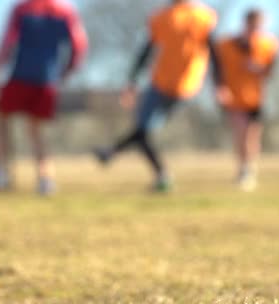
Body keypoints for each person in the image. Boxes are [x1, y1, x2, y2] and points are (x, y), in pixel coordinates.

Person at [93, 0, 218, 193]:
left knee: (142, 131)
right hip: (183, 84)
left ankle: (154, 171)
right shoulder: (202, 16)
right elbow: (214, 52)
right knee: (142, 131)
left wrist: (132, 81)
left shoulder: (169, 17)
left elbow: (146, 51)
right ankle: (112, 153)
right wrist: (220, 83)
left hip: (167, 84)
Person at [0, 0, 88, 195]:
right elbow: (79, 45)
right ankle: (45, 179)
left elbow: (8, 42)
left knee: (0, 117)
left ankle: (0, 173)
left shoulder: (22, 9)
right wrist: (67, 71)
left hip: (21, 75)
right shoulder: (65, 10)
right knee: (37, 130)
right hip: (47, 79)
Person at [215, 9, 279, 192]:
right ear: (246, 23)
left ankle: (249, 169)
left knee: (253, 137)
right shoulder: (227, 44)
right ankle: (243, 170)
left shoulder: (269, 44)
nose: (256, 29)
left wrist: (258, 69)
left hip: (256, 98)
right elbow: (217, 69)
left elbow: (270, 71)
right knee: (241, 133)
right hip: (234, 97)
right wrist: (220, 88)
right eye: (253, 25)